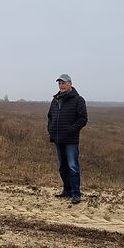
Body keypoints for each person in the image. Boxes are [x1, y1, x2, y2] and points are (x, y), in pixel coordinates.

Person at [47, 74, 88, 205]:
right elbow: (50, 116)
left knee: (73, 166)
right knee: (62, 167)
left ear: (70, 84)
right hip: (58, 138)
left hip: (71, 139)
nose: (61, 85)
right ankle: (67, 190)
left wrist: (71, 130)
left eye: (63, 83)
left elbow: (83, 119)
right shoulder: (55, 100)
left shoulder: (78, 100)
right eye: (59, 83)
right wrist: (51, 129)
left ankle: (76, 194)